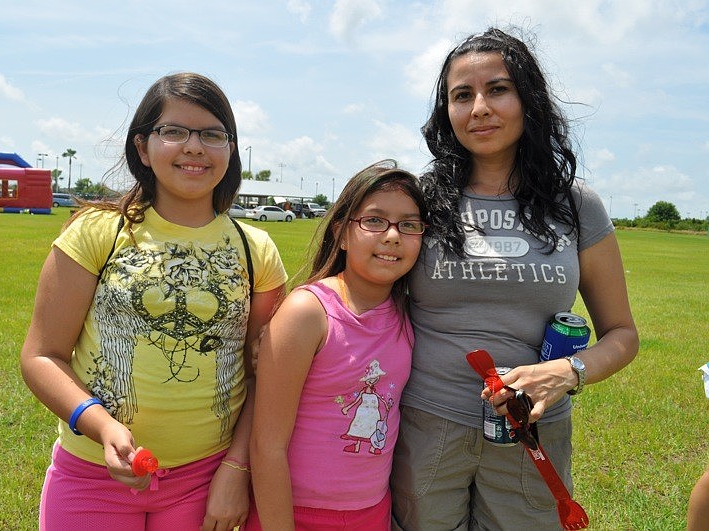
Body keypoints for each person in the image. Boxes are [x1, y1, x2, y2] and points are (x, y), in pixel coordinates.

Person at [390, 28, 639, 530]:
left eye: (498, 89)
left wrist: (568, 372)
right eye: (462, 95)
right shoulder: (419, 200)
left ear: (529, 100)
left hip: (532, 430)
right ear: (447, 112)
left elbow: (623, 335)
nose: (479, 107)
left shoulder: (577, 205)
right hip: (427, 425)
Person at [20, 72, 287, 530]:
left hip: (204, 479)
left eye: (212, 134)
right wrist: (102, 426)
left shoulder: (256, 249)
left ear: (231, 149)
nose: (194, 147)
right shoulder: (96, 233)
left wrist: (235, 468)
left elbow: (263, 376)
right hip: (93, 477)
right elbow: (42, 356)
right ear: (142, 147)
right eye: (174, 131)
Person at [249, 160, 427, 530]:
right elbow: (267, 446)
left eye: (409, 225)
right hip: (294, 513)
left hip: (372, 511)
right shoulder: (308, 312)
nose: (393, 235)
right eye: (375, 220)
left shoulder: (410, 314)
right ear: (342, 234)